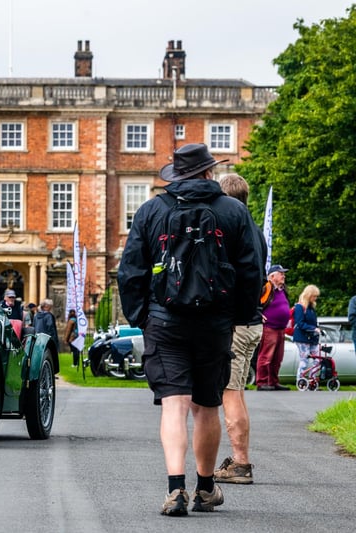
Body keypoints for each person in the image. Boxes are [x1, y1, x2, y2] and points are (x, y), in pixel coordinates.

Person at [117, 143, 262, 516]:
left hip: (164, 320)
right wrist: (242, 315)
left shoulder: (151, 210)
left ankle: (175, 488)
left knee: (174, 405)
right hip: (215, 323)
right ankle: (206, 488)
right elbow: (251, 271)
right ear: (208, 173)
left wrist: (141, 317)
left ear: (176, 175)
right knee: (206, 406)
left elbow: (130, 271)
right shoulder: (234, 211)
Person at [214, 173, 267, 485]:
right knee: (237, 392)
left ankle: (241, 464)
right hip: (253, 321)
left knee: (230, 392)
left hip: (238, 323)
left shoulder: (234, 231)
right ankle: (238, 459)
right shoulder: (255, 230)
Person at [255, 265, 292, 391]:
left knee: (277, 357)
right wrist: (259, 315)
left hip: (280, 328)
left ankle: (273, 381)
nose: (283, 276)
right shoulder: (267, 288)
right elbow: (257, 303)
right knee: (266, 356)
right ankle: (262, 382)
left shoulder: (282, 290)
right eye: (281, 274)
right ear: (272, 276)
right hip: (269, 327)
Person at [292, 285, 321, 381]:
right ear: (309, 295)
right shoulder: (300, 307)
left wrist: (316, 329)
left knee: (318, 359)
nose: (315, 298)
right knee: (304, 360)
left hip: (312, 337)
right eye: (314, 296)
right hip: (302, 337)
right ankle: (300, 379)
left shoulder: (311, 308)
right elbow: (300, 323)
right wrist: (313, 328)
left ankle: (312, 379)